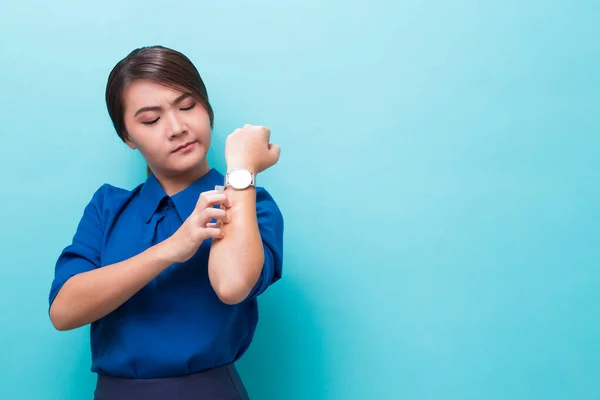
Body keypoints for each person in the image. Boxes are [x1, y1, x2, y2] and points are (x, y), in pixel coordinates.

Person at [48, 45, 284, 400]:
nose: (177, 128)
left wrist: (241, 170)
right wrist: (172, 249)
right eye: (150, 119)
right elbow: (64, 311)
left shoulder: (251, 204)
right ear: (128, 137)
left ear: (207, 109)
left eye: (187, 106)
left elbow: (233, 285)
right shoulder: (107, 207)